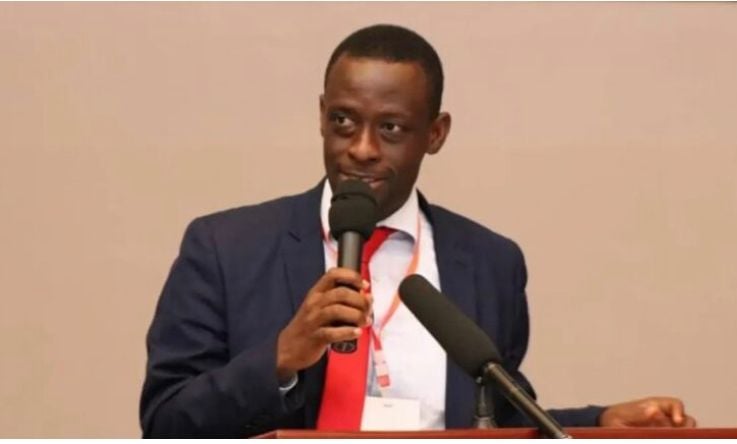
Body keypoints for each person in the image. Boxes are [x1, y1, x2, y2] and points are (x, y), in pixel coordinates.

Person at [139, 24, 696, 437]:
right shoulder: (226, 247)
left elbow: (491, 421)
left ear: (435, 134)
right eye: (343, 121)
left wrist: (601, 422)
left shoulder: (489, 263)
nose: (361, 148)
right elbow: (165, 422)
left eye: (391, 128)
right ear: (320, 115)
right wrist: (281, 358)